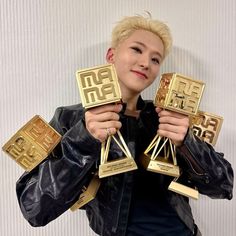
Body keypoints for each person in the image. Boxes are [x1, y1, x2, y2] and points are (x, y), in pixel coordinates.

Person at [16, 14, 233, 236]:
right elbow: (34, 209)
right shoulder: (70, 119)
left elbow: (224, 186)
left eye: (155, 59)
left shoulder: (169, 117)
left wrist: (187, 143)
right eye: (137, 50)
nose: (145, 63)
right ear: (111, 55)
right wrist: (84, 140)